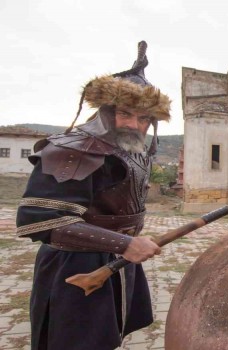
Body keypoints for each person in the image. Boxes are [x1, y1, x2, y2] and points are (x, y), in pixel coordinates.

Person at [16, 41, 171, 350]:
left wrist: (125, 245)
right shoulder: (71, 149)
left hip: (115, 259)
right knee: (75, 340)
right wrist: (126, 243)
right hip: (75, 264)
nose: (135, 125)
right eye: (126, 114)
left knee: (105, 338)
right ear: (105, 111)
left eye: (144, 118)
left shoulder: (131, 151)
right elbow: (42, 222)